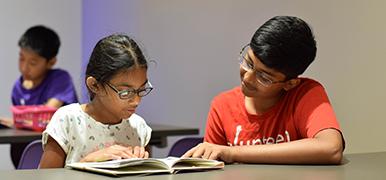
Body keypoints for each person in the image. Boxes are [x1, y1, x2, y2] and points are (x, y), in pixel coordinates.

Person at [183, 16, 344, 164]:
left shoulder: (305, 94)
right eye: (248, 63)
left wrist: (232, 153)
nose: (247, 78)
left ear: (290, 83)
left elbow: (331, 148)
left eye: (264, 77)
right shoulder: (223, 106)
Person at [39, 34, 154, 168]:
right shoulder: (68, 121)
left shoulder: (138, 128)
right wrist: (87, 162)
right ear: (95, 85)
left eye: (141, 90)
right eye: (125, 92)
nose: (136, 101)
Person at [0, 25, 78, 168]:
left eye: (33, 63)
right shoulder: (18, 87)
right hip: (24, 154)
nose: (24, 68)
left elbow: (47, 114)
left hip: (57, 154)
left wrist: (16, 121)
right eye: (21, 58)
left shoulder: (61, 79)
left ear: (51, 62)